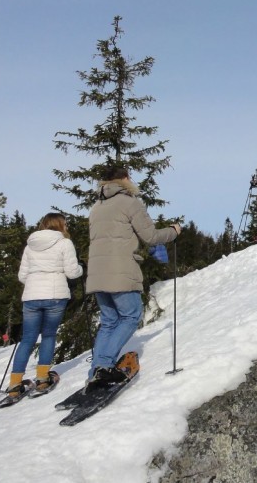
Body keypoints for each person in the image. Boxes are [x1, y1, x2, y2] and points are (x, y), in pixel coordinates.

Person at [86, 165, 180, 386]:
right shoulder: (130, 203)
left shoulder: (97, 207)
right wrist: (174, 231)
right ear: (125, 179)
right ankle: (104, 367)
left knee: (109, 321)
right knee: (131, 315)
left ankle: (96, 371)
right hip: (120, 270)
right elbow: (150, 236)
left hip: (97, 273)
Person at [6, 213, 83, 396]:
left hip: (32, 296)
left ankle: (15, 383)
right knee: (48, 335)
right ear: (61, 224)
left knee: (27, 339)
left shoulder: (30, 245)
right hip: (55, 294)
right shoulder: (64, 243)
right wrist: (81, 268)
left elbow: (22, 276)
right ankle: (42, 378)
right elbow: (72, 272)